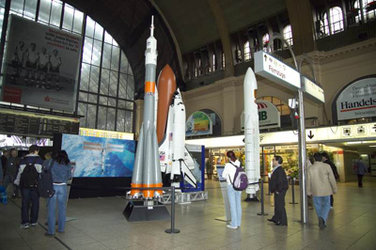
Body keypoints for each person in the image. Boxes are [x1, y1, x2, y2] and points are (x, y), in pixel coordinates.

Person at [14, 145, 43, 229]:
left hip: (25, 186)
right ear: (36, 151)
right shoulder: (40, 160)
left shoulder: (23, 160)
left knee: (25, 204)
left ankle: (25, 222)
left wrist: (17, 182)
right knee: (35, 203)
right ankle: (33, 221)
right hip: (35, 186)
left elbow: (19, 173)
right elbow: (41, 175)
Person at [307, 153, 337, 230]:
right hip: (326, 190)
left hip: (316, 190)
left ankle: (320, 217)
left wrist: (308, 191)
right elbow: (332, 178)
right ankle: (323, 218)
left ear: (314, 159)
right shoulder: (327, 166)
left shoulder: (310, 168)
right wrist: (334, 188)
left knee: (317, 205)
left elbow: (308, 181)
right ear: (321, 158)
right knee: (327, 204)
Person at [46, 151, 72, 236]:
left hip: (53, 186)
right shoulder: (68, 163)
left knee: (51, 209)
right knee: (62, 209)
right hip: (63, 187)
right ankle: (61, 229)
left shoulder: (52, 161)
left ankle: (51, 231)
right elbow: (69, 176)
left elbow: (46, 171)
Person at [222, 151, 242, 229]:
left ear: (228, 157)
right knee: (238, 204)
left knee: (232, 205)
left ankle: (234, 224)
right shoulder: (239, 163)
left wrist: (228, 176)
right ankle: (238, 222)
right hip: (239, 185)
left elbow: (223, 175)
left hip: (231, 186)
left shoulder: (228, 165)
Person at [267, 155, 288, 226]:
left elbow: (281, 181)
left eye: (274, 160)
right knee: (277, 205)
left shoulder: (279, 170)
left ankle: (283, 221)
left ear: (277, 161)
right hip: (277, 189)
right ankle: (276, 218)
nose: (272, 161)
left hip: (280, 190)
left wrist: (278, 190)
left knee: (280, 205)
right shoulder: (276, 169)